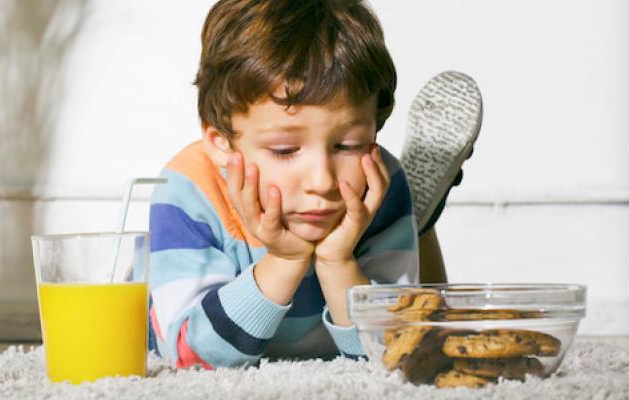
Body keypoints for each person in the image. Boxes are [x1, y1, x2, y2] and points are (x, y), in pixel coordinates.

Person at [147, 0, 480, 369]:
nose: (322, 182)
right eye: (285, 150)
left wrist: (339, 262)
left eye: (349, 145)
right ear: (222, 143)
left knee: (432, 329)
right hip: (168, 313)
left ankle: (418, 223)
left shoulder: (380, 185)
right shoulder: (187, 192)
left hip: (375, 230)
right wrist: (284, 260)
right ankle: (421, 226)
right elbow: (189, 356)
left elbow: (397, 353)